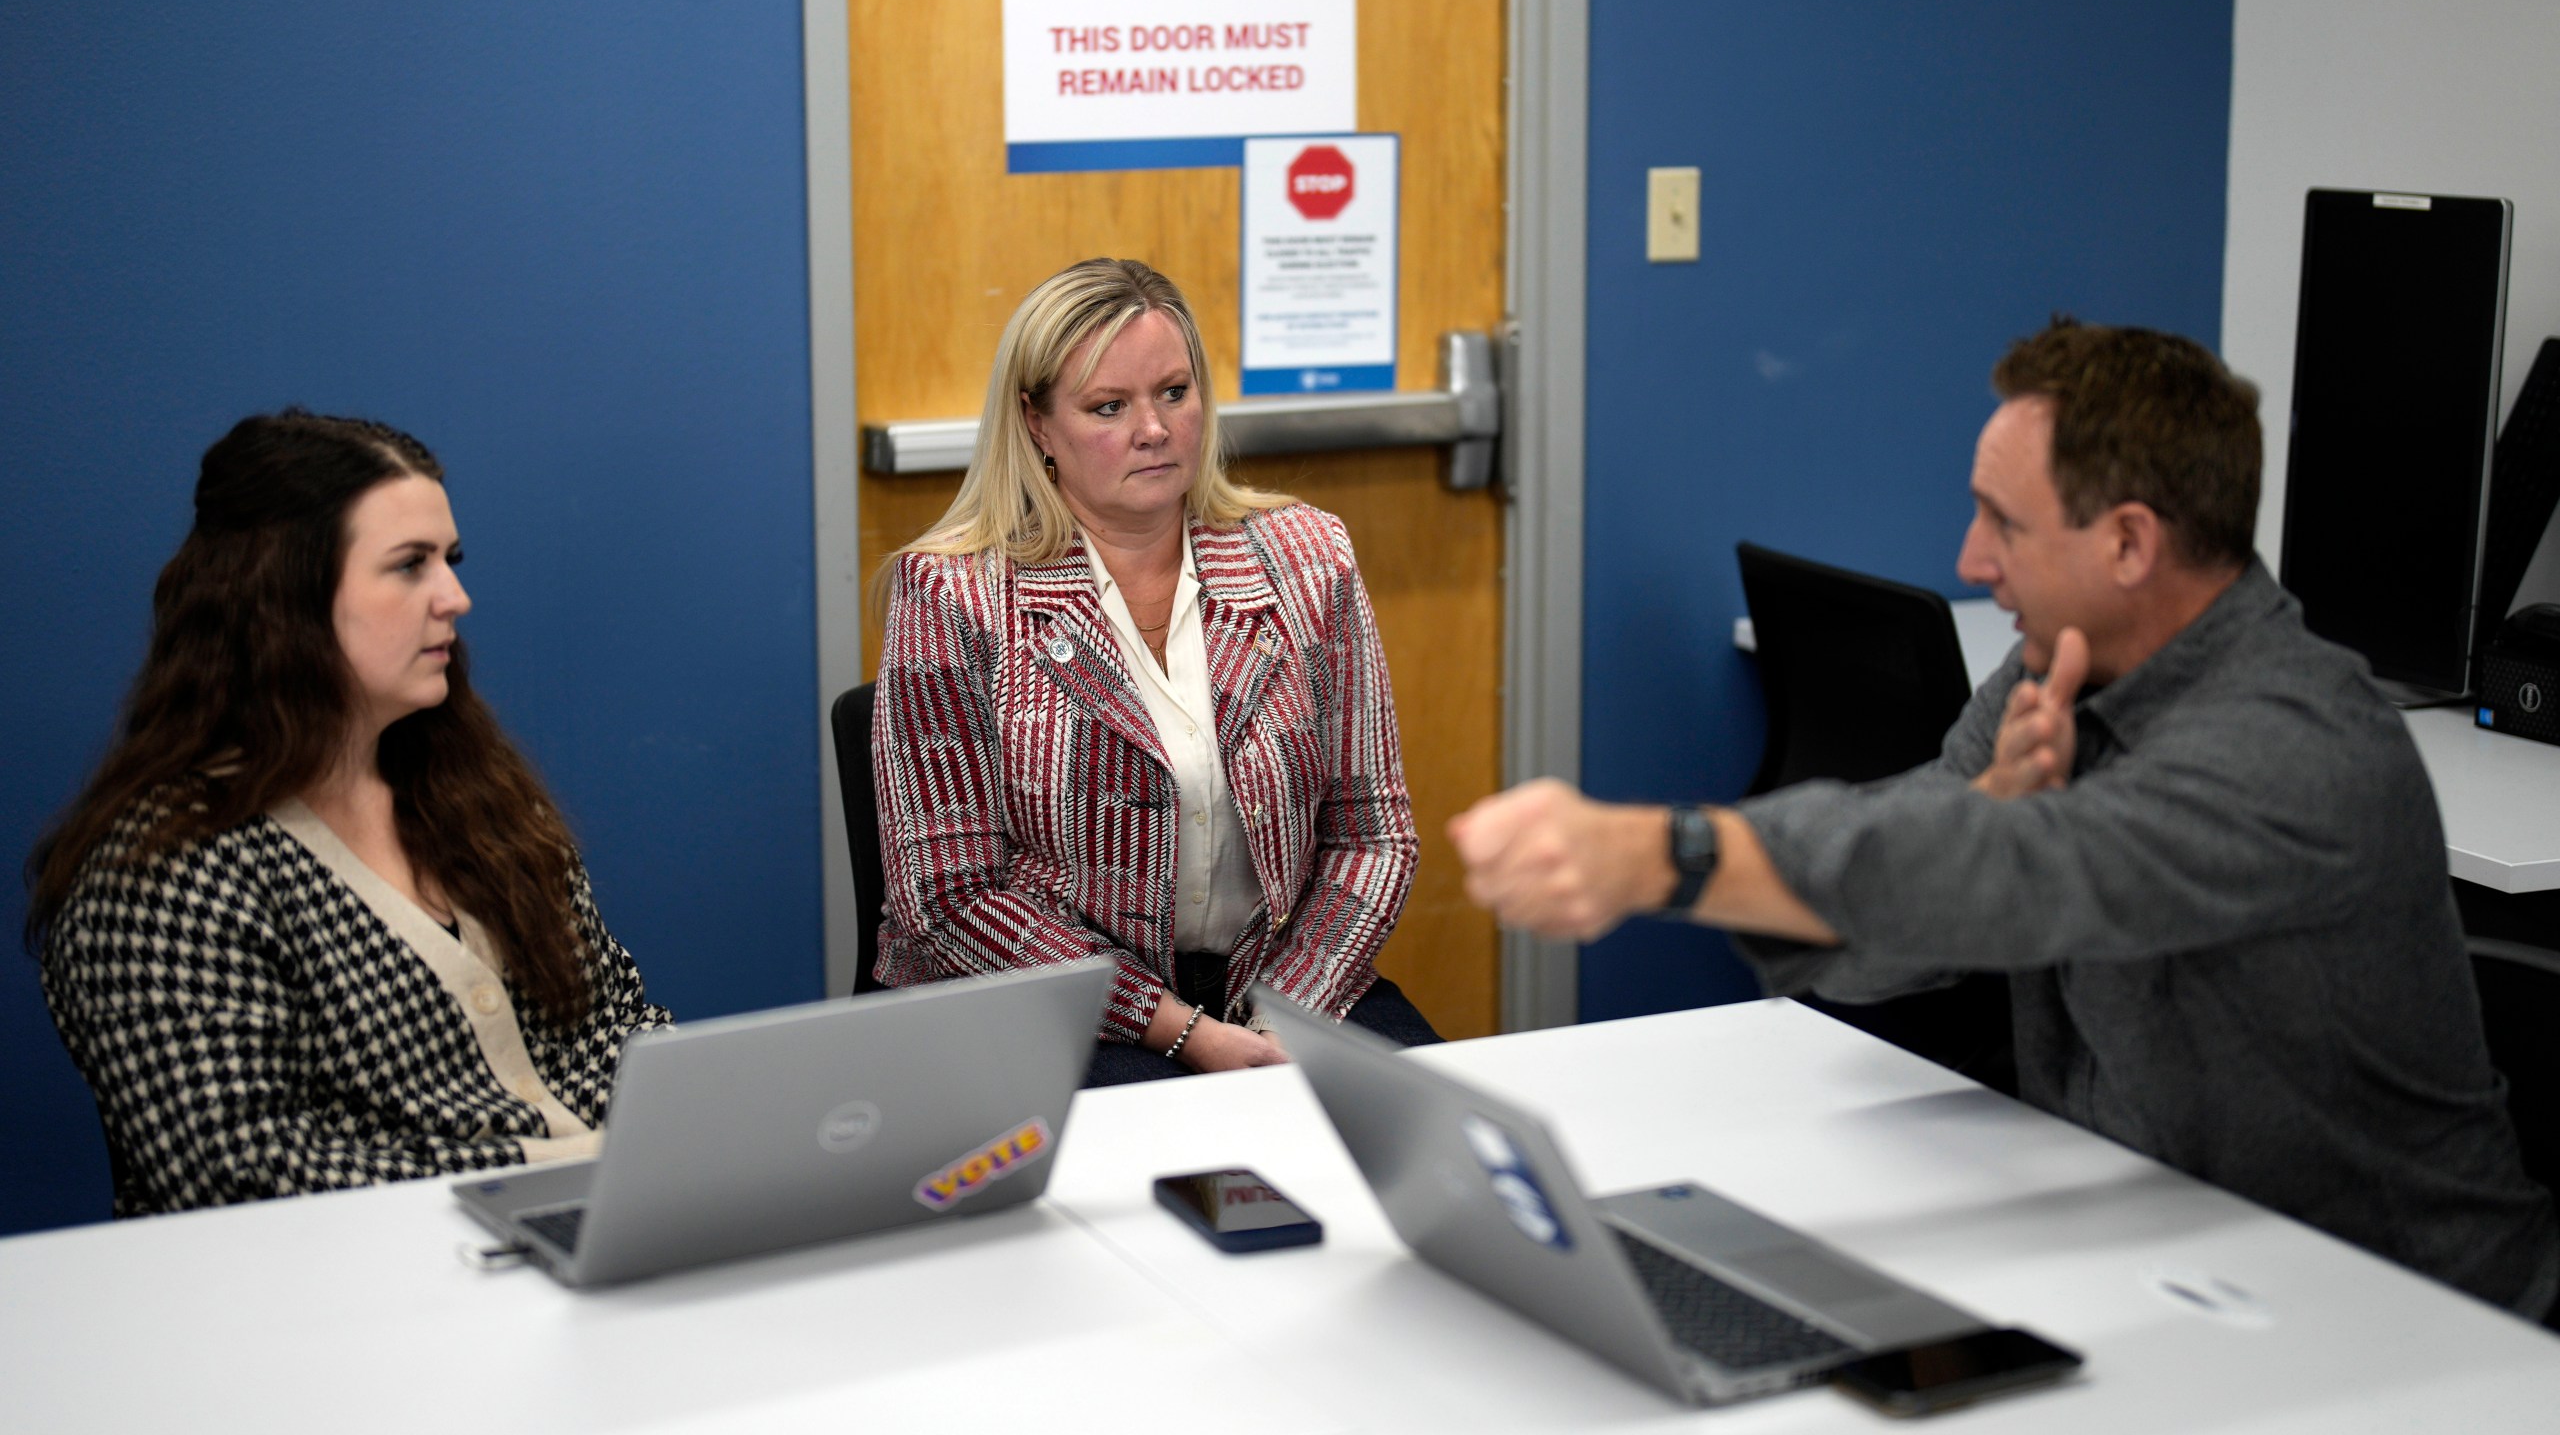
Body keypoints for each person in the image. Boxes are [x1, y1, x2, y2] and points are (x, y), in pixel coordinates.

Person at [1450, 318, 2560, 1320]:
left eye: (2002, 525)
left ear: (2127, 543)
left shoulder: (2296, 749)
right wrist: (1978, 810)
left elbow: (2030, 873)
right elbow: (1897, 931)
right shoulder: (2056, 672)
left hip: (2394, 1315)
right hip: (2151, 1247)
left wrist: (1669, 856)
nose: (1969, 563)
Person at [27, 410, 670, 1217]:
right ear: (279, 598)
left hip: (590, 1233)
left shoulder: (483, 796)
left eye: (451, 560)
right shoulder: (159, 871)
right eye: (410, 566)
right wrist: (570, 1169)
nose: (456, 597)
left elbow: (620, 1027)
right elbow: (245, 1174)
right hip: (345, 1306)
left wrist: (712, 1122)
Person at [871, 257, 1436, 1085]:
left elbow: (1372, 832)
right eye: (1110, 406)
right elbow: (949, 894)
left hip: (1280, 986)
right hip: (1050, 1000)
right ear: (1036, 423)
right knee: (1161, 1176)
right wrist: (1183, 1033)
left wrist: (1286, 1009)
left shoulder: (1306, 558)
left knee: (1439, 1162)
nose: (1155, 429)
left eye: (1174, 393)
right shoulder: (953, 592)